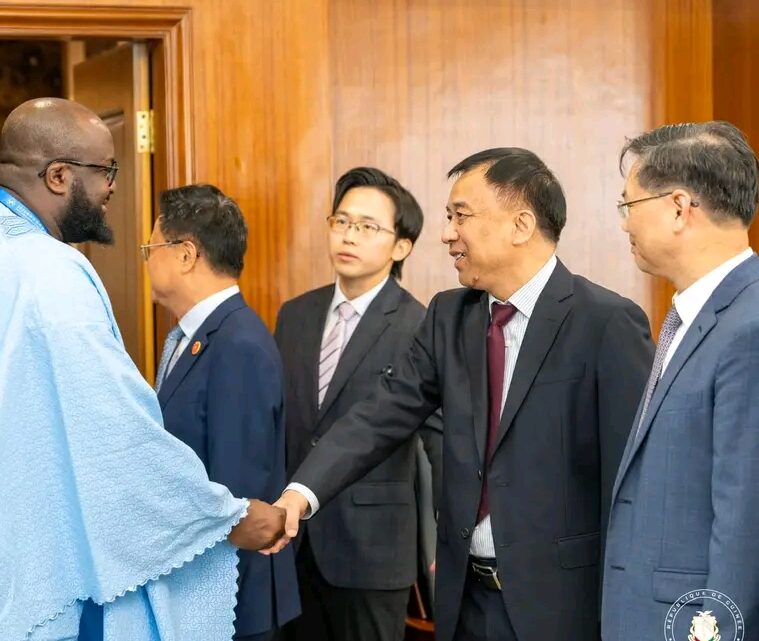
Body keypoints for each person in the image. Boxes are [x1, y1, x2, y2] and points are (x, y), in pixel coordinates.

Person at [0, 98, 285, 641]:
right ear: (58, 176)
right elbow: (114, 435)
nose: (112, 189)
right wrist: (226, 517)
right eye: (106, 172)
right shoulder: (45, 269)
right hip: (5, 567)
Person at [270, 148, 654, 641]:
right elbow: (381, 414)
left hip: (560, 607)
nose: (447, 233)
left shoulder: (605, 322)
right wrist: (302, 494)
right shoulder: (449, 315)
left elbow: (630, 482)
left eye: (460, 216)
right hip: (464, 601)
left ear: (520, 224)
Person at [602, 121, 759, 641]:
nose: (623, 224)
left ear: (677, 207)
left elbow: (746, 516)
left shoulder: (750, 327)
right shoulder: (693, 317)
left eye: (629, 206)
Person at [274, 167, 441, 641]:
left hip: (372, 551)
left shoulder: (419, 326)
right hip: (293, 544)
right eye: (341, 221)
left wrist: (446, 541)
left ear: (401, 246)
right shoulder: (296, 315)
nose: (349, 236)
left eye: (367, 227)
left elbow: (439, 443)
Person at [145, 184, 300, 641]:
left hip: (230, 600)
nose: (147, 259)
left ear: (186, 254)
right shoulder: (194, 335)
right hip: (198, 587)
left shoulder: (238, 345)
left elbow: (237, 496)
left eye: (151, 248)